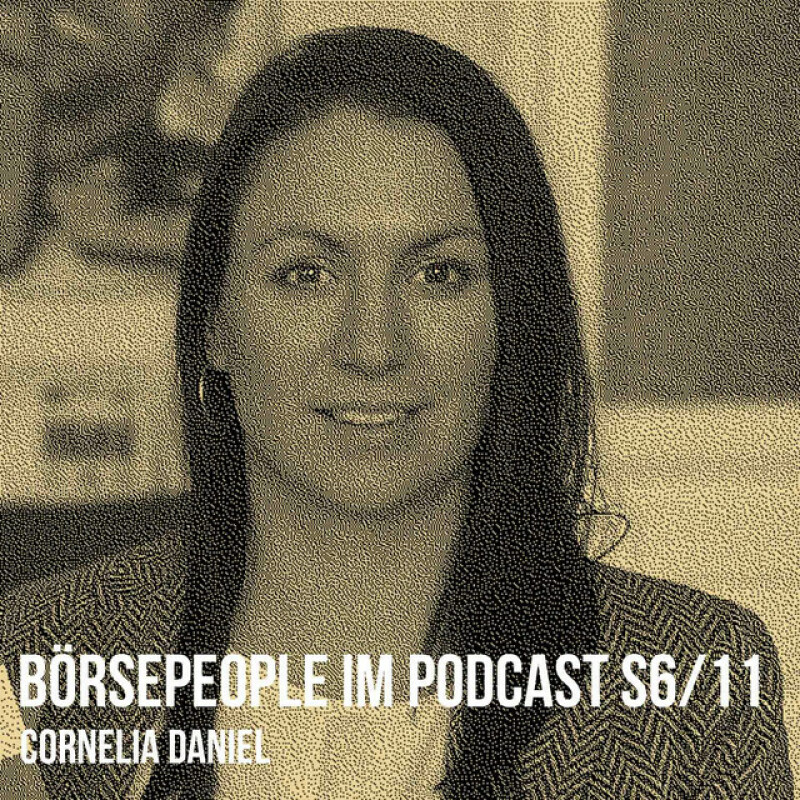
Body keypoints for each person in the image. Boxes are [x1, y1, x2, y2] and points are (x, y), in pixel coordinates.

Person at [1, 26, 793, 800]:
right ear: (215, 324)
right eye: (306, 274)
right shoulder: (30, 660)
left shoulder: (697, 684)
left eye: (439, 274)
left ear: (512, 316)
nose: (374, 346)